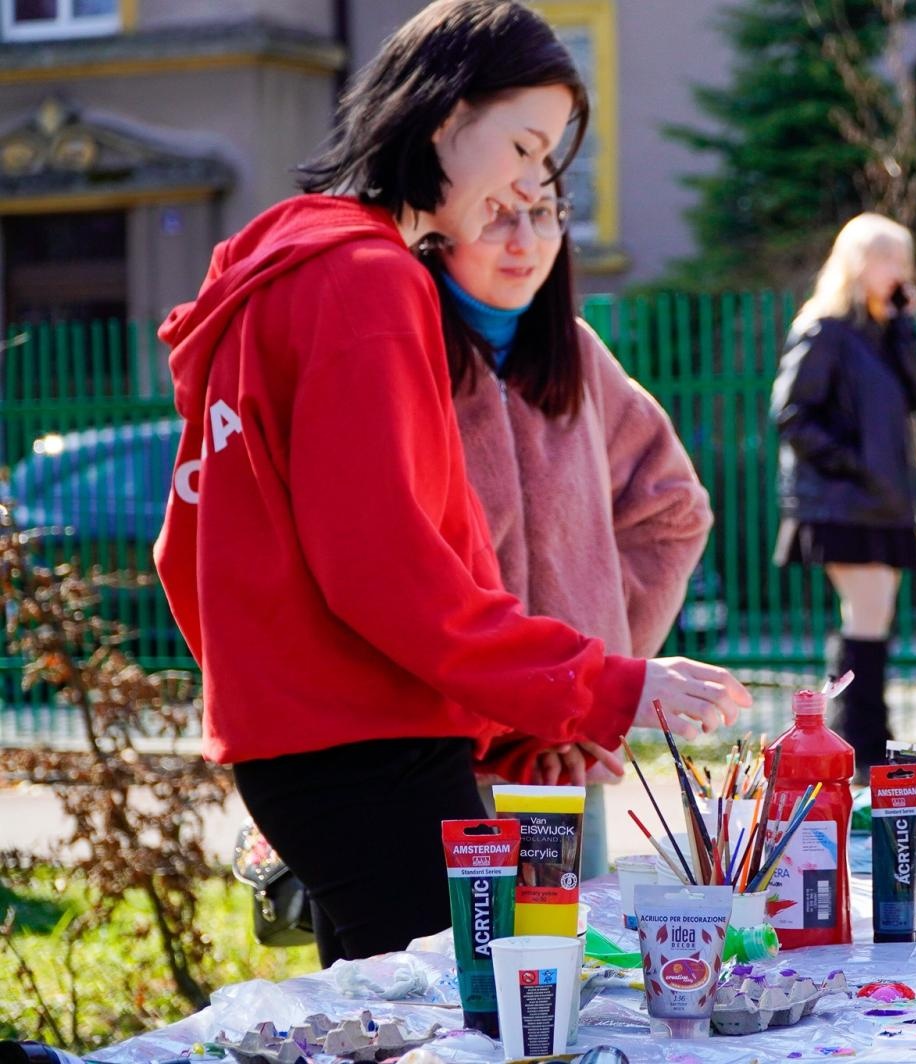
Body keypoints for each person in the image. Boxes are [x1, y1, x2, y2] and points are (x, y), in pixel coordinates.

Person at [154, 0, 748, 967]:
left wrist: (279, 687)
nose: (528, 181)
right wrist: (602, 683)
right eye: (521, 145)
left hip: (317, 747)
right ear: (442, 118)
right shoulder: (366, 282)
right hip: (370, 748)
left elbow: (186, 550)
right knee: (467, 1016)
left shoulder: (288, 274)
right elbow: (391, 573)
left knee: (379, 1021)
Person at [418, 170, 713, 875]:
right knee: (441, 977)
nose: (526, 241)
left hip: (559, 765)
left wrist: (594, 671)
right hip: (437, 757)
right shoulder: (405, 352)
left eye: (546, 214)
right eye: (498, 216)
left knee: (570, 976)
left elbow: (673, 511)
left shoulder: (574, 354)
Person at [770, 212, 916, 774]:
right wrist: (855, 464)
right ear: (861, 262)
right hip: (844, 500)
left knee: (872, 621)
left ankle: (863, 741)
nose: (899, 273)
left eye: (903, 262)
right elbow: (792, 414)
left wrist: (904, 327)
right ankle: (860, 745)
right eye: (890, 260)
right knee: (865, 619)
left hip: (881, 502)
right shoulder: (826, 329)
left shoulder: (882, 336)